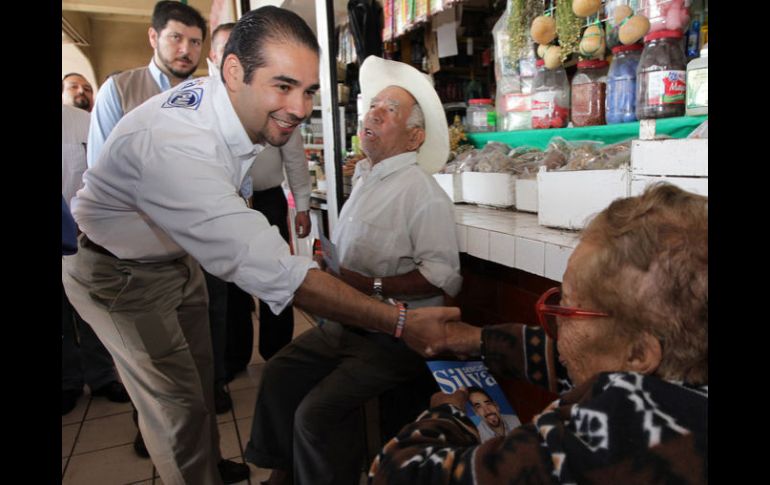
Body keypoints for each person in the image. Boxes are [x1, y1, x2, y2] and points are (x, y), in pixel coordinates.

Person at [62, 8, 459, 485]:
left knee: (203, 384)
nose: (300, 107)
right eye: (283, 86)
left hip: (175, 259)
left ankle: (211, 464)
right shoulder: (176, 146)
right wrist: (400, 322)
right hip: (120, 274)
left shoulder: (224, 103)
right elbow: (281, 274)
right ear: (234, 71)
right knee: (176, 408)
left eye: (308, 91)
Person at [369, 183, 708, 484]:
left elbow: (395, 473)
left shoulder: (612, 434)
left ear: (638, 354)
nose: (556, 326)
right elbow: (577, 357)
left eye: (568, 309)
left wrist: (448, 415)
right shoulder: (682, 367)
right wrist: (474, 340)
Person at [245, 55, 462, 485]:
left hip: (395, 338)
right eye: (374, 105)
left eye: (390, 109)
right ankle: (283, 471)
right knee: (279, 373)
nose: (374, 113)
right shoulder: (365, 178)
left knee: (316, 414)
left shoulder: (423, 193)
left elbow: (443, 278)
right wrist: (331, 265)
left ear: (415, 137)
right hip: (348, 325)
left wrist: (369, 284)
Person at [61, 103, 130, 415]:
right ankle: (68, 381)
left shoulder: (83, 121)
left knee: (92, 311)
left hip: (83, 233)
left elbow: (102, 172)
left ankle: (103, 377)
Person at [86, 0, 206, 168]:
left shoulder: (210, 94)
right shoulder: (118, 90)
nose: (186, 50)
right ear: (153, 37)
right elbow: (99, 167)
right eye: (176, 38)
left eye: (195, 42)